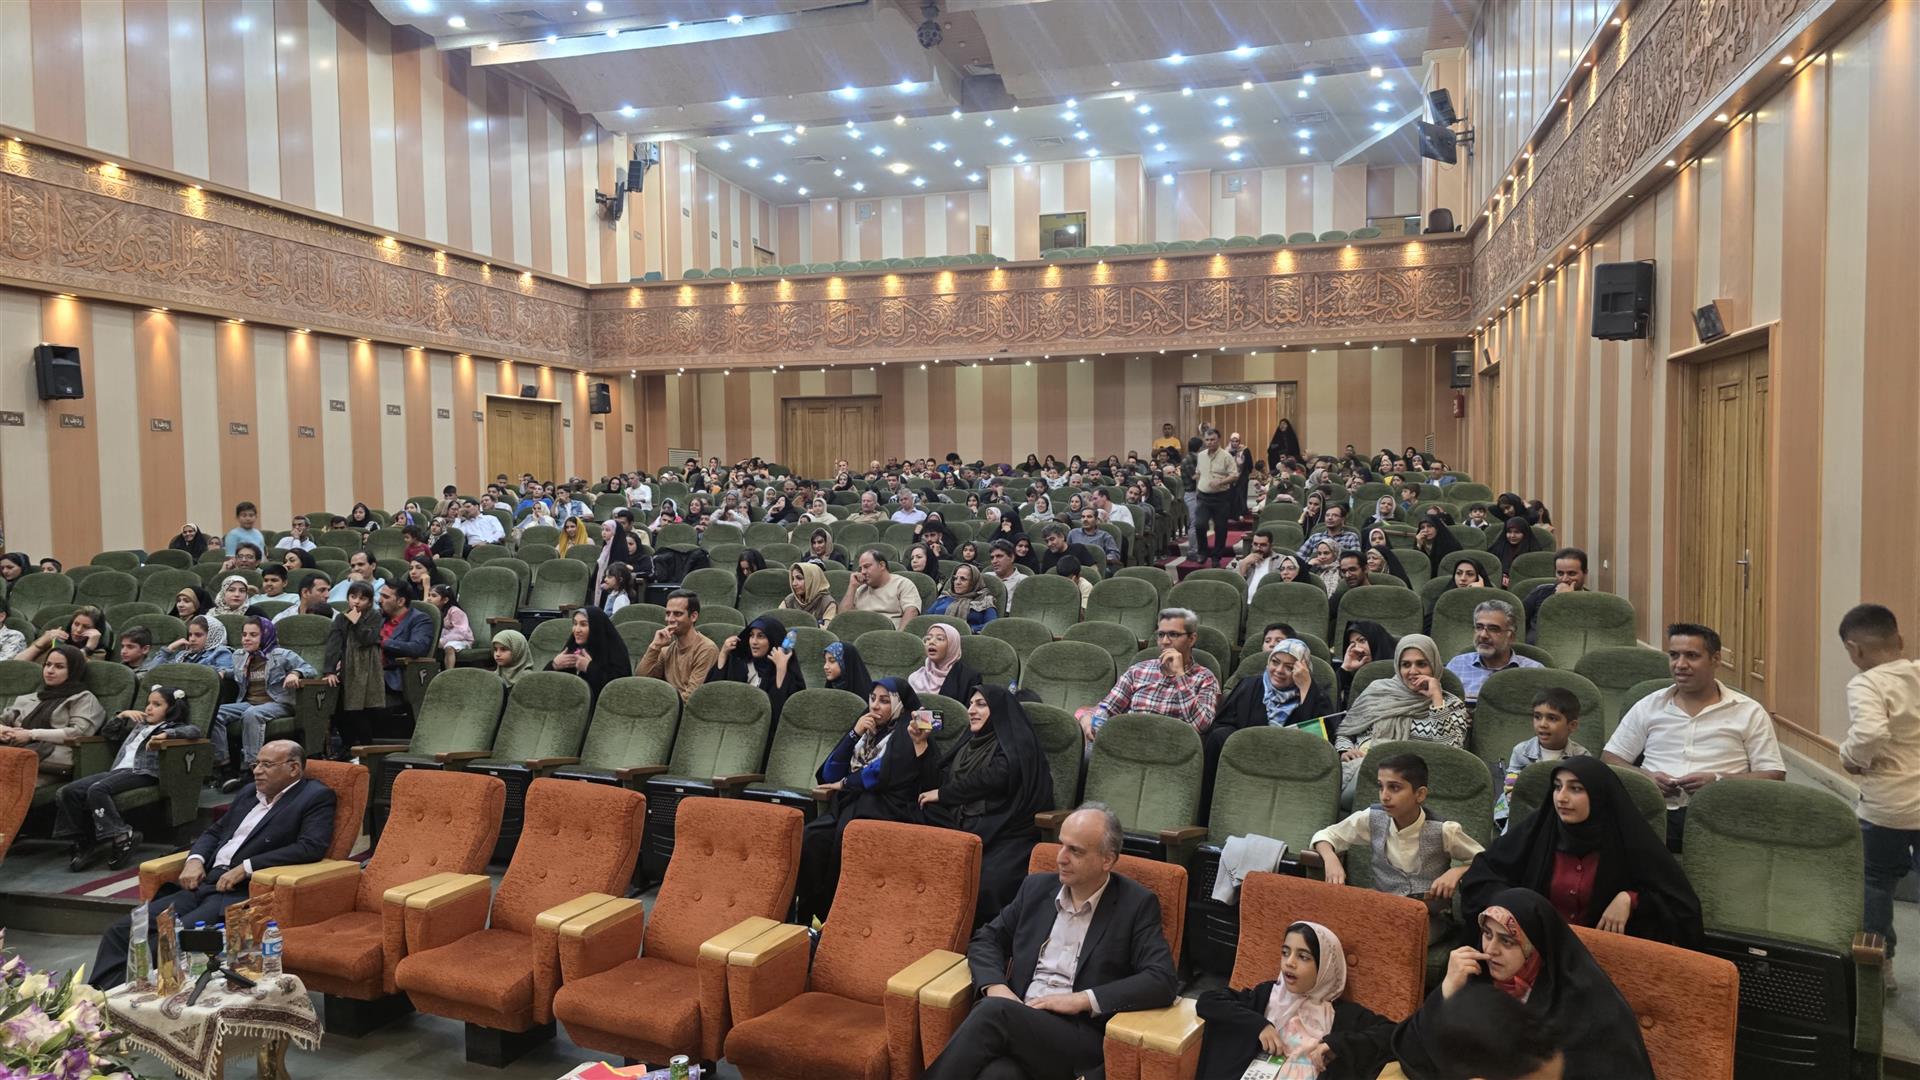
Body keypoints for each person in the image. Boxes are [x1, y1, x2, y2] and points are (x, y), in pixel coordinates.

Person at [922, 804, 1178, 1080]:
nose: (1061, 858)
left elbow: (1161, 979)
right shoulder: (1036, 888)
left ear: (1107, 860)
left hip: (1078, 1036)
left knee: (993, 1014)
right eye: (1061, 845)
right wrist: (997, 987)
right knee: (998, 1075)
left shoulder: (1135, 905)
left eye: (1075, 851)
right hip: (1020, 1018)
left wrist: (1081, 1000)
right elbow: (987, 938)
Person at [88, 740, 335, 990]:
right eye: (256, 764)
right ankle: (95, 999)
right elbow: (215, 832)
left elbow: (310, 846)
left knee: (168, 942)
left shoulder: (314, 796)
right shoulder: (250, 793)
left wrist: (247, 867)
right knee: (123, 931)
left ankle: (122, 1000)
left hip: (238, 893)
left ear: (293, 768)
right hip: (202, 883)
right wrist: (195, 860)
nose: (257, 771)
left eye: (267, 765)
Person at [1390, 889, 1655, 1080]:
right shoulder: (1478, 977)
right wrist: (1448, 989)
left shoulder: (1587, 1004)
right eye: (1487, 934)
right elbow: (1411, 1052)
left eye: (1507, 941)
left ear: (1534, 949)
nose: (1490, 950)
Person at [1462, 756, 1702, 947]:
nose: (1561, 798)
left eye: (1575, 789)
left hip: (1605, 961)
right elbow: (1482, 877)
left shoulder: (1627, 839)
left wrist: (1631, 899)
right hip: (1538, 955)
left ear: (1599, 797)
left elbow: (1680, 907)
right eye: (1557, 787)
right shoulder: (1538, 831)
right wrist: (1518, 908)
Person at [1602, 623, 1785, 850]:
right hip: (1654, 812)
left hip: (1722, 815)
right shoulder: (1649, 705)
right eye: (1674, 655)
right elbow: (1611, 758)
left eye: (1692, 656)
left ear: (1716, 659)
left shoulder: (1748, 711)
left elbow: (1773, 775)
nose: (1680, 665)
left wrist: (1718, 781)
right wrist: (1645, 777)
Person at [797, 678, 939, 923]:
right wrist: (854, 734)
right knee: (812, 837)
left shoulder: (910, 729)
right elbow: (829, 774)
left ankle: (839, 916)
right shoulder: (866, 727)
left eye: (884, 701)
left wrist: (845, 783)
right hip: (851, 804)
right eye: (872, 698)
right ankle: (808, 916)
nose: (874, 706)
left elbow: (883, 774)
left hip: (889, 807)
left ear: (899, 704)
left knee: (850, 836)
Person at [919, 685, 1055, 924]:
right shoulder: (969, 742)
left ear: (999, 710)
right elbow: (942, 776)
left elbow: (995, 777)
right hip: (965, 822)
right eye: (970, 704)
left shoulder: (1017, 744)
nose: (971, 710)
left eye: (981, 704)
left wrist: (944, 794)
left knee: (986, 882)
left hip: (1006, 830)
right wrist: (921, 744)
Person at [1193, 921, 1395, 1080]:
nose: (1289, 962)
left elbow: (1393, 1033)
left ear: (1324, 967)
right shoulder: (1268, 994)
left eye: (1303, 957)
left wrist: (1337, 1044)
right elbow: (1208, 1001)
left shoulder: (1341, 1014)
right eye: (1285, 953)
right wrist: (1259, 1025)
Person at [1834, 604, 1920, 975]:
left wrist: (1851, 757)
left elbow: (1870, 732)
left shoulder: (1866, 683)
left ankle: (1879, 962)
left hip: (1888, 804)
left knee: (1876, 881)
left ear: (1854, 649)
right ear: (1899, 640)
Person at [1311, 753, 1483, 935]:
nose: (1384, 796)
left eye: (1394, 788)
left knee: (1392, 937)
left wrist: (1456, 871)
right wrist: (1330, 859)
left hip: (1428, 917)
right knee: (1335, 926)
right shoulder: (1372, 818)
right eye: (1381, 786)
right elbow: (1325, 835)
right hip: (1381, 909)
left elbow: (1484, 860)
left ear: (1420, 794)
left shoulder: (1444, 830)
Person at [57, 684, 204, 871]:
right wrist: (122, 716)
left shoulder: (174, 727)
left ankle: (122, 835)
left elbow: (194, 731)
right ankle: (84, 840)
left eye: (157, 704)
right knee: (69, 791)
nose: (149, 708)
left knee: (98, 789)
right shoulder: (140, 725)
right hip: (118, 771)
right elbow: (108, 733)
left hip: (143, 772)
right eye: (148, 703)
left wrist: (166, 734)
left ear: (171, 709)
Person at [1203, 640, 1335, 815]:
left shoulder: (1317, 696)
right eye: (1275, 662)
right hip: (1244, 761)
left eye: (1289, 667)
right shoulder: (1248, 686)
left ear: (1303, 670)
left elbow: (1318, 746)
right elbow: (1222, 724)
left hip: (1290, 771)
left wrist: (1305, 689)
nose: (1279, 670)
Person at [1335, 635, 1471, 806]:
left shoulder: (1451, 705)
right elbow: (1345, 731)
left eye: (1421, 664)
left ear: (1434, 666)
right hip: (1363, 772)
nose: (1413, 671)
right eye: (1406, 665)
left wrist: (1437, 700)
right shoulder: (1378, 691)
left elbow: (1451, 753)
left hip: (1413, 785)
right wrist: (1345, 750)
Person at [1082, 609, 1220, 741]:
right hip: (1128, 742)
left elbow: (1200, 725)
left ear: (1191, 639)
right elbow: (1108, 708)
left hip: (1170, 748)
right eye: (1161, 635)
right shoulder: (1138, 670)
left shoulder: (1205, 678)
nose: (1165, 641)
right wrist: (1088, 717)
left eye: (1173, 634)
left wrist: (1180, 676)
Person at [213, 616, 317, 792]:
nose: (246, 639)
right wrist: (223, 673)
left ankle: (251, 768)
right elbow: (237, 673)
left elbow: (310, 669)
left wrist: (295, 673)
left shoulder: (281, 655)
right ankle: (225, 768)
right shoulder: (239, 655)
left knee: (252, 714)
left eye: (253, 635)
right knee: (215, 713)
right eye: (244, 634)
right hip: (249, 702)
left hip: (278, 702)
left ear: (265, 635)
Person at [0, 645, 106, 790]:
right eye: (48, 664)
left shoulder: (83, 698)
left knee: (8, 785)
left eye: (59, 666)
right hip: (15, 752)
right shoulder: (30, 698)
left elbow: (79, 732)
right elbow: (3, 720)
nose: (50, 670)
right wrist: (4, 730)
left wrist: (31, 734)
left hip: (50, 761)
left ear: (73, 670)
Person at [1493, 687, 1590, 828]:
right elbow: (1511, 783)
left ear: (1572, 725)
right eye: (1537, 717)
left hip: (1563, 811)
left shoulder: (1582, 757)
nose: (1542, 724)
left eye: (1552, 718)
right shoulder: (1521, 751)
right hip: (1525, 809)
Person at [1444, 599, 1541, 705]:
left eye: (1493, 629)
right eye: (1479, 627)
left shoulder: (1534, 671)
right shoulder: (1457, 665)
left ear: (1511, 637)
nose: (1483, 635)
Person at [709, 615, 803, 723]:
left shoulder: (784, 668)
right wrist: (723, 654)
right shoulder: (740, 661)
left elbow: (779, 715)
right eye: (751, 635)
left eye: (761, 636)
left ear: (773, 640)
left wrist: (781, 669)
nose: (754, 642)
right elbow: (712, 695)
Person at [636, 589, 719, 700]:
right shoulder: (666, 651)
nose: (670, 619)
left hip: (683, 708)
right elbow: (640, 682)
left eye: (677, 614)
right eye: (668, 613)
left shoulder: (706, 649)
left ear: (693, 616)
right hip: (668, 705)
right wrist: (655, 646)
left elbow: (691, 698)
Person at [545, 606, 633, 706]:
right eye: (575, 624)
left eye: (583, 624)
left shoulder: (614, 651)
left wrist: (589, 668)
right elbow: (543, 686)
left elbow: (620, 690)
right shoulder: (572, 648)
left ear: (596, 627)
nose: (577, 630)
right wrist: (554, 665)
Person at [1191, 428, 1240, 567]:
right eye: (1207, 440)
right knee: (1199, 524)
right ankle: (1202, 552)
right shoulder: (1201, 456)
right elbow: (1198, 472)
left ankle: (1216, 557)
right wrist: (1197, 481)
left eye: (1212, 439)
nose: (1210, 442)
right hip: (1203, 496)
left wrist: (1221, 481)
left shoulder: (1226, 456)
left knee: (1220, 527)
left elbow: (1235, 475)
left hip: (1221, 497)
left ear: (1218, 440)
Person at [840, 549, 921, 630]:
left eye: (866, 567)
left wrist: (899, 636)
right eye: (861, 568)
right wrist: (852, 586)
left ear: (882, 565)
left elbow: (911, 612)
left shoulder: (903, 584)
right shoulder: (860, 589)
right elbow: (841, 618)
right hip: (860, 633)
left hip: (888, 634)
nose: (863, 572)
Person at [1523, 547, 1588, 644]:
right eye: (1560, 573)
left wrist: (1567, 600)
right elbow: (1517, 619)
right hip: (1535, 648)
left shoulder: (1592, 601)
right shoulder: (1540, 592)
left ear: (1585, 573)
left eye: (1571, 573)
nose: (1564, 579)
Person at [908, 623, 981, 701]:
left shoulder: (969, 678)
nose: (931, 642)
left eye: (940, 639)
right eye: (928, 638)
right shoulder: (915, 677)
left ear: (952, 646)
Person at [18, 606, 109, 663]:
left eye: (86, 627)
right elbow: (17, 663)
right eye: (76, 624)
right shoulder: (55, 639)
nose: (78, 630)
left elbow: (70, 666)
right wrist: (40, 644)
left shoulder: (98, 652)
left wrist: (88, 648)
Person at [154, 616, 234, 675]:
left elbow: (227, 673)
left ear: (212, 635)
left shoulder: (220, 652)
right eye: (190, 635)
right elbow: (153, 672)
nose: (192, 639)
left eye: (198, 635)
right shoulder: (183, 655)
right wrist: (169, 649)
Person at [928, 563, 999, 630]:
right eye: (955, 578)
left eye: (963, 579)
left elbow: (991, 625)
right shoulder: (944, 597)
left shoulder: (985, 600)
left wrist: (967, 630)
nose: (957, 582)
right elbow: (927, 619)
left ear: (973, 582)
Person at [778, 561, 838, 626]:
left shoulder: (827, 603)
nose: (794, 583)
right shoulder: (789, 600)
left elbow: (827, 629)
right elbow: (778, 622)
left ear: (812, 580)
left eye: (799, 578)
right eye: (792, 579)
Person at [1484, 517, 1541, 585]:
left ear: (1525, 533)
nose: (1512, 536)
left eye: (1517, 532)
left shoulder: (1533, 550)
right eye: (1509, 532)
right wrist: (1500, 577)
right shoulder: (1497, 548)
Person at [1236, 529, 1288, 597]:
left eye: (1263, 545)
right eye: (1255, 544)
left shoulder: (1282, 560)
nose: (1258, 548)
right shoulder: (1246, 561)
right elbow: (1237, 587)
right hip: (1246, 601)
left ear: (1271, 546)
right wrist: (1244, 564)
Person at [986, 540, 1030, 612]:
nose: (994, 561)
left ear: (1012, 557)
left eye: (999, 556)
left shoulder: (1023, 581)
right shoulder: (987, 577)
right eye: (992, 557)